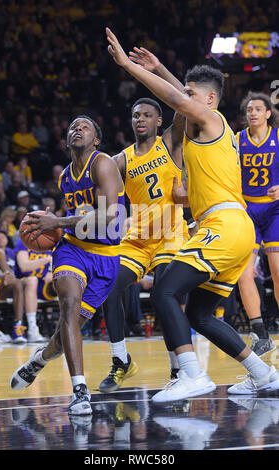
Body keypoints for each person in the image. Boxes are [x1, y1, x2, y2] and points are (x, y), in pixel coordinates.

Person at [105, 28, 279, 401]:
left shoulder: (213, 121)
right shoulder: (218, 131)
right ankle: (262, 372)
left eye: (192, 94)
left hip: (223, 226)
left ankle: (190, 374)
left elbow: (176, 99)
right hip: (233, 227)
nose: (184, 100)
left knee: (166, 290)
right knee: (200, 314)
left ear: (211, 99)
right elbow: (183, 97)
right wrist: (162, 67)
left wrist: (127, 66)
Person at [10, 115, 125, 415]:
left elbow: (109, 215)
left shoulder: (103, 164)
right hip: (72, 249)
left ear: (96, 139)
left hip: (107, 258)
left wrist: (57, 221)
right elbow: (76, 217)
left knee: (65, 335)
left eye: (85, 127)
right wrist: (54, 227)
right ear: (66, 140)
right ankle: (80, 390)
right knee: (69, 307)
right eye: (72, 127)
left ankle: (38, 361)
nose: (77, 129)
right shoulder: (64, 177)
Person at [98, 96, 186, 393]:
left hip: (169, 235)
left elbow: (183, 104)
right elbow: (100, 190)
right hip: (136, 239)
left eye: (147, 115)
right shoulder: (120, 160)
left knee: (164, 294)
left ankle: (177, 368)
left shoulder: (171, 141)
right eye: (136, 115)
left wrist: (155, 72)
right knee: (109, 288)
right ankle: (121, 360)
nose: (140, 119)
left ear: (159, 121)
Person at [237, 92, 279, 356]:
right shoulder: (237, 140)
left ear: (267, 114)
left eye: (258, 109)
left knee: (277, 272)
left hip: (274, 210)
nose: (252, 113)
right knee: (244, 274)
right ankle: (260, 333)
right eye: (249, 109)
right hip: (247, 209)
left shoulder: (278, 136)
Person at [14, 236, 56, 342]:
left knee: (62, 282)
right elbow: (24, 266)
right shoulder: (23, 241)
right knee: (32, 280)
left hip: (42, 284)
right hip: (22, 283)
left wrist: (54, 274)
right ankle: (33, 329)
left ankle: (64, 327)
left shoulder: (50, 241)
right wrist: (46, 260)